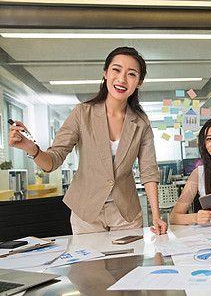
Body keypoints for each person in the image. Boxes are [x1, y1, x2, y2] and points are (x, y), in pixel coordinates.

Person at [8, 46, 168, 235]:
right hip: (86, 211)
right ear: (106, 73)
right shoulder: (82, 113)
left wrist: (156, 215)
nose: (122, 79)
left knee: (130, 264)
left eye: (131, 74)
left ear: (139, 82)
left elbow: (148, 171)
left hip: (126, 213)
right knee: (89, 265)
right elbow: (53, 160)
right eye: (116, 70)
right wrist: (31, 148)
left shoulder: (141, 122)